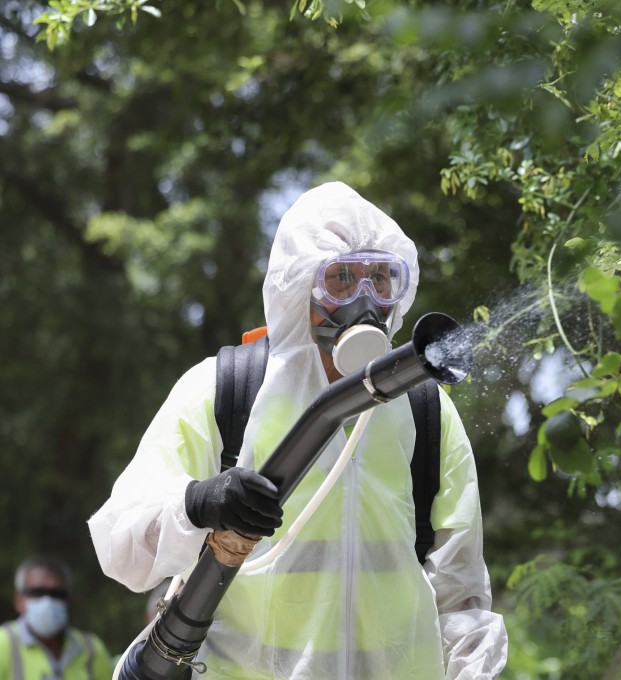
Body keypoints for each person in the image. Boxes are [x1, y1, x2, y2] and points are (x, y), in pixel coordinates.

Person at [88, 181, 508, 679]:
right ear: (296, 287)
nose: (365, 299)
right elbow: (120, 544)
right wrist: (198, 501)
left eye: (381, 278)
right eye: (341, 280)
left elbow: (461, 593)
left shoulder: (422, 404)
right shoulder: (226, 388)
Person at [0, 556, 114, 680]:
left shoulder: (92, 649)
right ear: (19, 601)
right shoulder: (4, 644)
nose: (47, 601)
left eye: (57, 594)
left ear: (67, 600)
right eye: (37, 592)